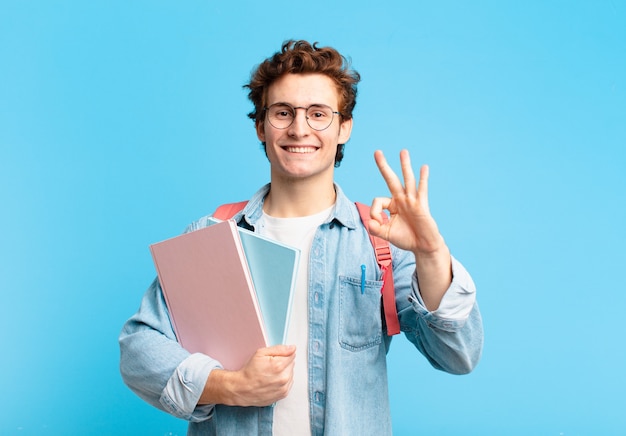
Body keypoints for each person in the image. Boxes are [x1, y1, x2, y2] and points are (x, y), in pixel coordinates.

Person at [119, 40, 483, 435]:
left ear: (344, 127)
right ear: (260, 125)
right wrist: (231, 386)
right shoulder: (212, 236)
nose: (299, 128)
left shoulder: (379, 242)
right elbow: (139, 348)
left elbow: (457, 355)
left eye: (318, 114)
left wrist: (430, 252)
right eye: (282, 112)